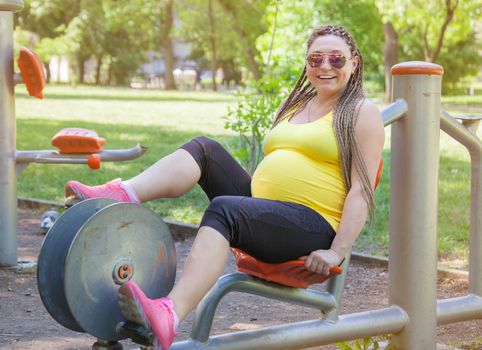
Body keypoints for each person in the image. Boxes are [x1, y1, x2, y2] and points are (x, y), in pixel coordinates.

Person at [64, 25, 384, 350]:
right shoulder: (296, 107)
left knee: (225, 209)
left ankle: (170, 314)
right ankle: (121, 193)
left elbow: (361, 190)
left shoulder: (361, 113)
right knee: (204, 149)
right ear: (306, 62)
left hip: (312, 228)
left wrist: (337, 251)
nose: (325, 66)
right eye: (316, 58)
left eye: (336, 59)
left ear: (354, 62)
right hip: (266, 215)